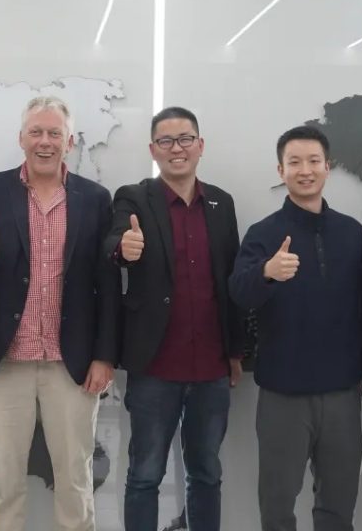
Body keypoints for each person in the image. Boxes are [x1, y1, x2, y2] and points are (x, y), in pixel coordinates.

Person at [0, 96, 119, 531]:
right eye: (36, 132)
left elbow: (106, 284)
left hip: (72, 363)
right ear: (21, 138)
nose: (45, 141)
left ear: (70, 141)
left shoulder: (95, 198)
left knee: (75, 482)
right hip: (5, 360)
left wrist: (104, 355)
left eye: (54, 133)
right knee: (5, 484)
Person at [102, 106, 244, 531]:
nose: (176, 148)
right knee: (145, 474)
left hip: (212, 367)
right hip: (155, 366)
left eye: (185, 139)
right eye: (166, 141)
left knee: (207, 472)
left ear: (200, 146)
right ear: (153, 150)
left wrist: (236, 352)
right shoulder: (134, 196)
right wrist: (123, 248)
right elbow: (113, 241)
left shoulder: (221, 203)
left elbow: (231, 279)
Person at [229, 125, 362, 531]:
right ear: (281, 170)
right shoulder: (263, 233)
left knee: (338, 504)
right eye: (294, 162)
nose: (305, 170)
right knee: (277, 502)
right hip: (283, 391)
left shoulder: (352, 232)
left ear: (328, 167)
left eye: (313, 161)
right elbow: (238, 292)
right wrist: (267, 272)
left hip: (342, 390)